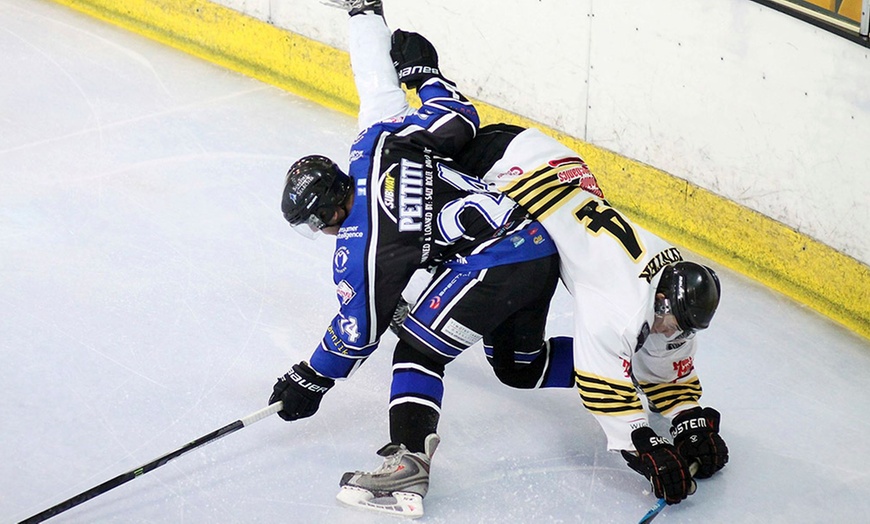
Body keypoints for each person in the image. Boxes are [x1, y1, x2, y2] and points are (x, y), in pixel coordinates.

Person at [269, 1, 573, 517]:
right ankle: (631, 368)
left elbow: (359, 331)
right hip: (535, 239)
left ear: (326, 212)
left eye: (315, 223)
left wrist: (310, 376)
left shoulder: (360, 243)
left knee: (416, 349)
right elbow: (456, 117)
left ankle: (408, 462)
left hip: (493, 262)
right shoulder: (378, 143)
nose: (321, 232)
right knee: (521, 367)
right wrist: (425, 75)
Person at [454, 123, 730, 505]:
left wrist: (688, 417)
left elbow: (664, 361)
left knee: (527, 361)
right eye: (672, 321)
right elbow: (604, 390)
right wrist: (645, 447)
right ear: (662, 297)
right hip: (499, 168)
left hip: (552, 164)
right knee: (513, 366)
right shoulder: (620, 303)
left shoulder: (673, 284)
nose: (672, 331)